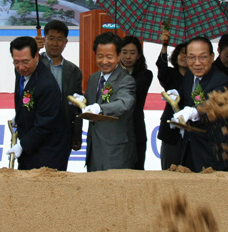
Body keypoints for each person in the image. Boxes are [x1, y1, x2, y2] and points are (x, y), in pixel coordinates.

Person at [169, 36, 228, 173]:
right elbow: (187, 97)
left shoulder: (220, 80)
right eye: (191, 57)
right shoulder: (190, 75)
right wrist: (176, 95)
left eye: (202, 57)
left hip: (213, 154)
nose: (197, 63)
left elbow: (213, 104)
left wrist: (193, 112)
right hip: (190, 149)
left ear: (212, 57)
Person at [72, 32, 136, 171]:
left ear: (119, 56)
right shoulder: (94, 78)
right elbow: (90, 102)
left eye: (109, 57)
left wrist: (99, 108)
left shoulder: (126, 80)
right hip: (94, 149)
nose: (104, 61)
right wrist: (81, 101)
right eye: (100, 56)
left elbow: (123, 104)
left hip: (116, 152)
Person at [6, 36, 69, 170]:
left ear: (36, 56)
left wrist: (22, 145)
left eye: (25, 61)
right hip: (30, 143)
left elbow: (45, 126)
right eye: (16, 62)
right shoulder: (21, 72)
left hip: (48, 152)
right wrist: (20, 116)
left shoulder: (46, 85)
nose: (21, 67)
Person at [37, 19, 84, 159]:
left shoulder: (74, 71)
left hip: (63, 131)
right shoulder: (34, 64)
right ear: (44, 40)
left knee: (59, 175)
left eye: (59, 39)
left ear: (66, 42)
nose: (55, 43)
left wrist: (76, 134)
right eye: (51, 38)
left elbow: (77, 105)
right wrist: (33, 50)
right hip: (37, 129)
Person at [120, 35, 154, 170]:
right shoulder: (112, 74)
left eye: (132, 53)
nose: (128, 56)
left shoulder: (145, 74)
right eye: (124, 52)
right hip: (117, 130)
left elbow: (132, 91)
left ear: (139, 55)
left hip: (136, 130)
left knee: (137, 170)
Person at [156, 32, 187, 170]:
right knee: (169, 169)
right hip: (171, 130)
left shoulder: (196, 77)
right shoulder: (170, 73)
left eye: (188, 53)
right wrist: (164, 45)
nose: (184, 56)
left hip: (190, 130)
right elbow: (161, 68)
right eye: (181, 53)